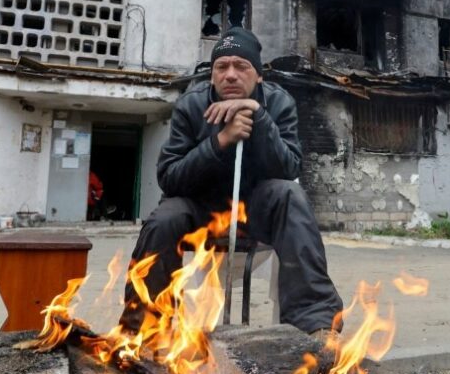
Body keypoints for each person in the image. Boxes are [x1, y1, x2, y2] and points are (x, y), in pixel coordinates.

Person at [119, 27, 343, 336]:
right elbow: (170, 177)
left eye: (242, 66)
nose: (231, 75)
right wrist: (220, 141)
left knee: (290, 195)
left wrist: (258, 116)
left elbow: (289, 165)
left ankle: (316, 325)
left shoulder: (280, 104)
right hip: (200, 208)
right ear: (211, 76)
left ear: (259, 75)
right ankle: (142, 329)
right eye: (221, 67)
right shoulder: (191, 105)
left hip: (255, 209)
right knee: (163, 218)